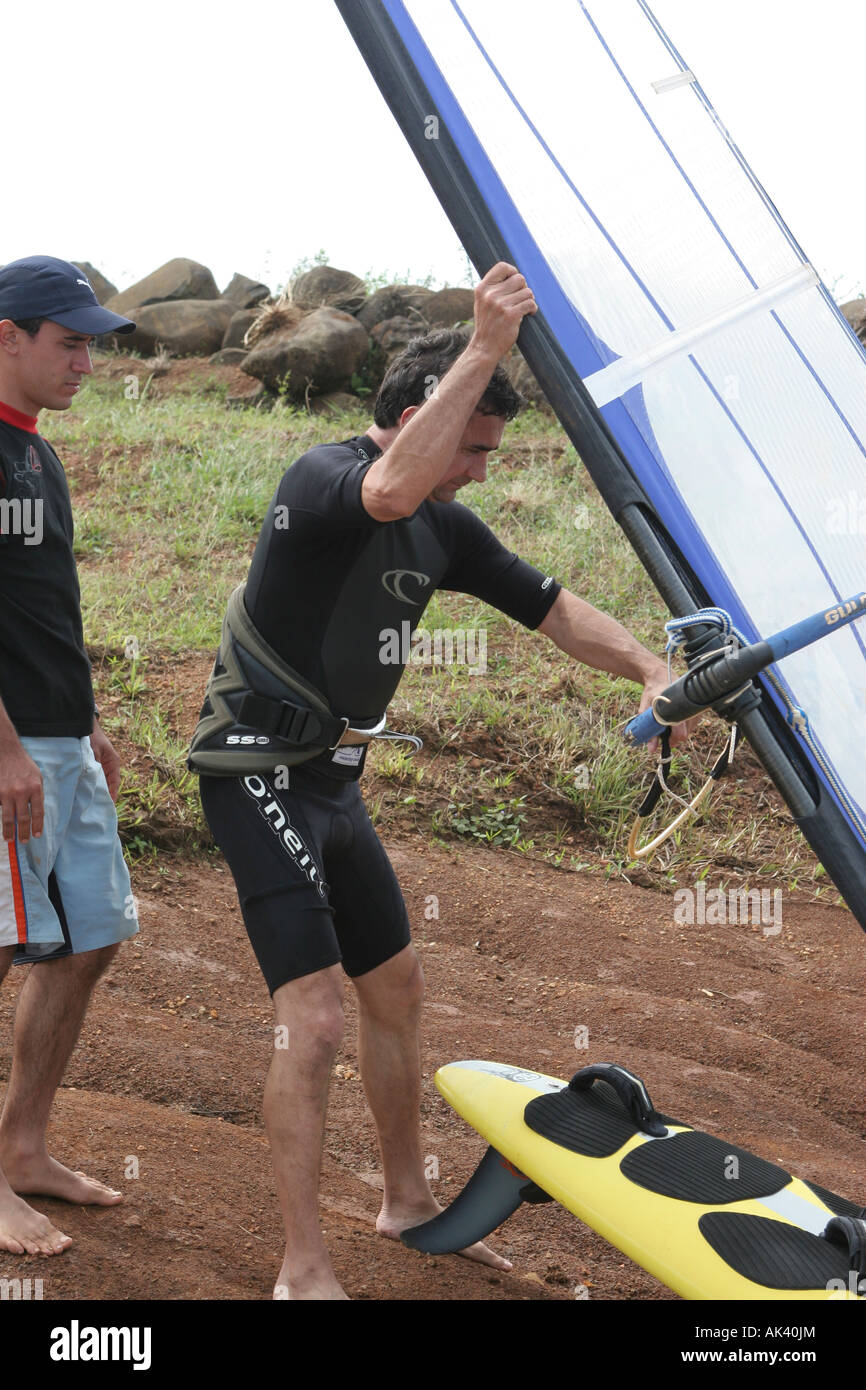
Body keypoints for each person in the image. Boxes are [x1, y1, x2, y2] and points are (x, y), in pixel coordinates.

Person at [194, 262, 689, 1299]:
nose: (476, 469)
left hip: (331, 783)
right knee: (315, 1017)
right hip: (254, 773)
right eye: (470, 443)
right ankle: (299, 1265)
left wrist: (648, 664)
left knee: (397, 989)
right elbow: (385, 487)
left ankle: (406, 1197)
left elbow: (550, 607)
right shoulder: (323, 480)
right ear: (424, 412)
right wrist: (483, 346)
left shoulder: (444, 528)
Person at [0, 256, 139, 1257]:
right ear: (7, 334)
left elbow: (40, 600)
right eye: (70, 340)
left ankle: (23, 1147)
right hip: (8, 749)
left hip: (60, 739)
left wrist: (84, 715)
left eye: (92, 342)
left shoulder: (35, 454)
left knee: (92, 936)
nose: (86, 359)